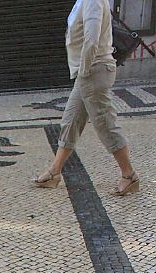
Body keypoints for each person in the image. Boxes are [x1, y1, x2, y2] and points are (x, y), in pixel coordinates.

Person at [34, 0, 139, 196]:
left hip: (93, 71)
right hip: (87, 72)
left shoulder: (93, 1)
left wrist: (83, 71)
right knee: (71, 120)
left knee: (104, 122)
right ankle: (54, 172)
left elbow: (92, 39)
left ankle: (129, 175)